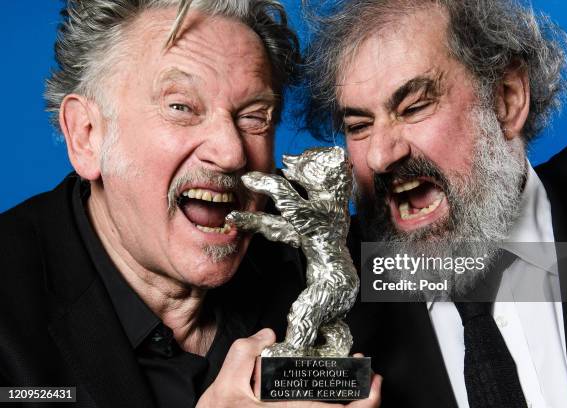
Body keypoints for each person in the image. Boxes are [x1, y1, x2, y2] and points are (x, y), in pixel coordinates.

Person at [0, 1, 383, 407]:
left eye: (254, 117)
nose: (231, 152)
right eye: (181, 107)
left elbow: (446, 270)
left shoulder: (350, 259)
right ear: (86, 135)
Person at [304, 0, 567, 407]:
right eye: (358, 126)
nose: (380, 155)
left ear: (507, 100)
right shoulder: (326, 309)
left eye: (413, 107)